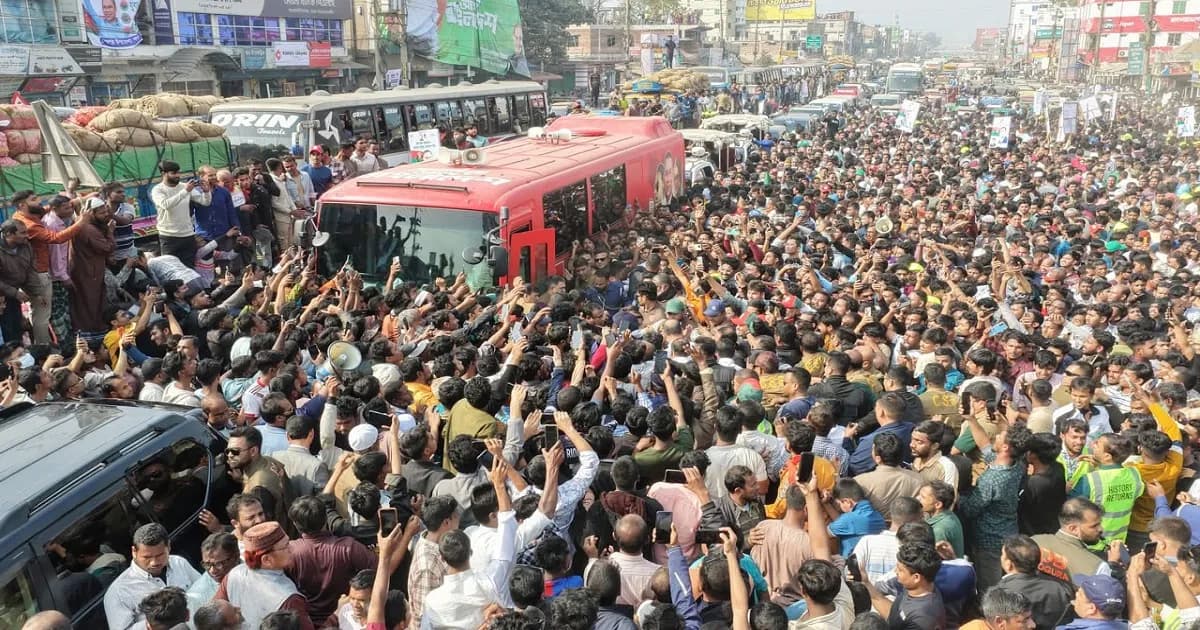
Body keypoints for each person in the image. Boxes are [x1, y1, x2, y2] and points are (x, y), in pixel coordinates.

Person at [215, 521, 313, 629]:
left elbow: (214, 618)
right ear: (266, 560)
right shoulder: (289, 599)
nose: (292, 549)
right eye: (286, 546)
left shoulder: (233, 575)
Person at [103, 523, 200, 630]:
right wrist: (157, 622)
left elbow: (203, 590)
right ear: (134, 552)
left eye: (160, 555)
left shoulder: (179, 563)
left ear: (169, 546)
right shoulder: (118, 592)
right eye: (147, 557)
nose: (154, 562)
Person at [69, 198, 116, 334]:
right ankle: (93, 331)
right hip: (89, 273)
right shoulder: (88, 229)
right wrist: (110, 231)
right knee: (91, 303)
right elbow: (108, 247)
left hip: (87, 270)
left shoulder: (80, 222)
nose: (105, 215)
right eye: (101, 213)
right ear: (90, 213)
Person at [151, 160, 203, 268]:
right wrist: (185, 191)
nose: (177, 176)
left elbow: (204, 201)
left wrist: (206, 192)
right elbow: (166, 204)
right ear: (163, 174)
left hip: (187, 235)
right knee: (172, 269)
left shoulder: (184, 186)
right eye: (173, 173)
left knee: (189, 268)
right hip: (169, 236)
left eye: (178, 172)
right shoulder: (158, 190)